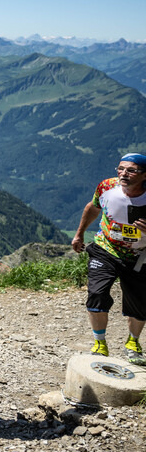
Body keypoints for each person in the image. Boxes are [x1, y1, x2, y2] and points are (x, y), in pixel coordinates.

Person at [71, 153, 146, 366]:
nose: (123, 174)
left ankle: (133, 343)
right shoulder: (107, 186)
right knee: (96, 294)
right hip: (106, 248)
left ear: (144, 175)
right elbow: (93, 207)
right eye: (120, 169)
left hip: (140, 256)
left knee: (139, 304)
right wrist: (79, 234)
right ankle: (99, 343)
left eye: (131, 170)